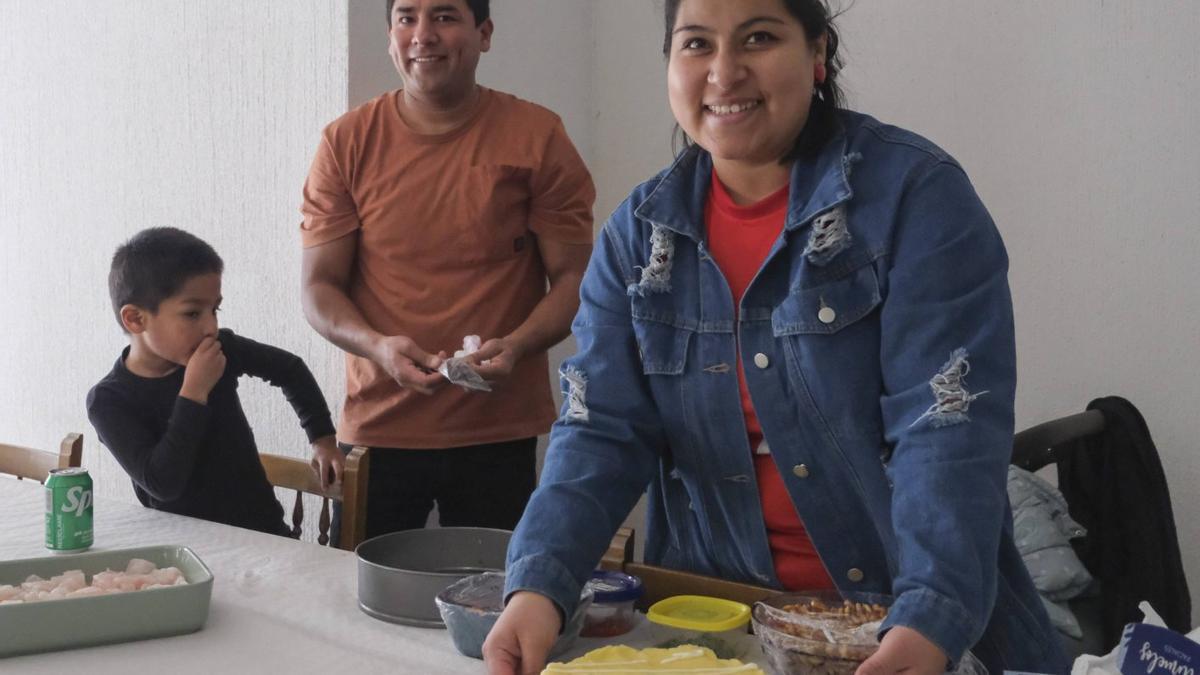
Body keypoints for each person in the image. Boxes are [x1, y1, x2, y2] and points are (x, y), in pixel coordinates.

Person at [484, 1, 1070, 674]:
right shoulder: (638, 238)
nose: (724, 72)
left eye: (758, 38)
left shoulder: (915, 197)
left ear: (817, 54)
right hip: (717, 626)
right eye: (696, 44)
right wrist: (539, 583)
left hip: (899, 627)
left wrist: (930, 618)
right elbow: (599, 431)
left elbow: (946, 427)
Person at [299, 0, 594, 538]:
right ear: (390, 37)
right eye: (406, 18)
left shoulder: (537, 136)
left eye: (444, 17)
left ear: (484, 34)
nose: (423, 35)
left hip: (497, 425)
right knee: (358, 601)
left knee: (491, 603)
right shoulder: (345, 143)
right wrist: (377, 346)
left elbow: (576, 280)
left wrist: (519, 344)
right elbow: (319, 288)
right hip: (377, 426)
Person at [87, 227, 343, 537]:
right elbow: (162, 483)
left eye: (215, 309)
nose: (211, 326)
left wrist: (322, 439)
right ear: (136, 319)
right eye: (193, 313)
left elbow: (290, 368)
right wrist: (194, 391)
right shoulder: (110, 400)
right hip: (183, 550)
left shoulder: (220, 349)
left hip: (263, 535)